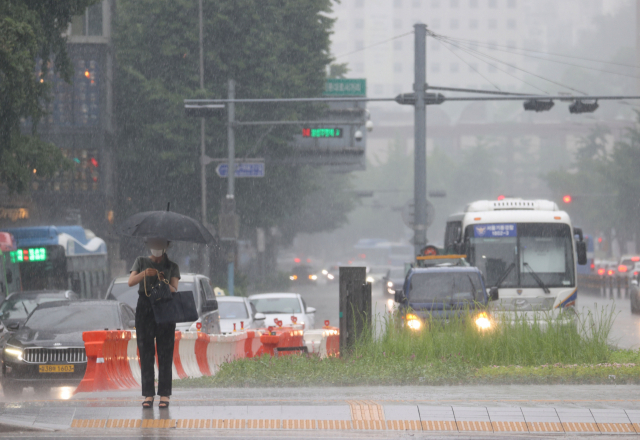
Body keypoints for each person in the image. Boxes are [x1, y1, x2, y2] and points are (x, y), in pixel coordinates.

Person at [128, 237, 180, 409]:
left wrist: (163, 281)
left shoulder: (172, 266)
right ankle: (148, 394)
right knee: (146, 352)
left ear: (166, 246)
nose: (156, 248)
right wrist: (144, 274)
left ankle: (164, 394)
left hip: (165, 306)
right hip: (144, 307)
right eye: (153, 244)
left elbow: (174, 288)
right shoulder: (140, 262)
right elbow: (131, 282)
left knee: (165, 352)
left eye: (160, 244)